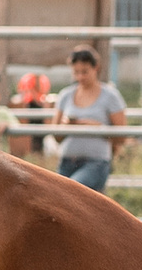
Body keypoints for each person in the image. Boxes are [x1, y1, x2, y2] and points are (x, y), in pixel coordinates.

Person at [51, 47, 129, 193]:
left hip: (96, 162)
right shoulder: (66, 95)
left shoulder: (110, 96)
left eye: (85, 72)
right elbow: (56, 136)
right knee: (59, 202)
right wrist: (67, 126)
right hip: (67, 161)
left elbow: (122, 137)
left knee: (71, 192)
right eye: (76, 72)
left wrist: (97, 127)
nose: (80, 77)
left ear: (96, 68)